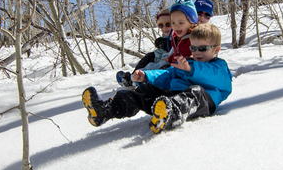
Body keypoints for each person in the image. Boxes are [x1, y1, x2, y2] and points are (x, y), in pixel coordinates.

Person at [82, 23, 232, 134]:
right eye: (194, 48)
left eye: (203, 48)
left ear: (216, 49)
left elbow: (217, 79)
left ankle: (170, 114)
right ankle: (106, 110)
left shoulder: (220, 66)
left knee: (196, 90)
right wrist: (146, 76)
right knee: (144, 91)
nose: (197, 52)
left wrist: (191, 69)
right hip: (171, 96)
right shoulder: (187, 62)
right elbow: (167, 75)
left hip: (203, 102)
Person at [116, 8, 173, 87]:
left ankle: (138, 80)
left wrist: (169, 44)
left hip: (168, 64)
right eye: (160, 25)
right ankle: (134, 76)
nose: (164, 28)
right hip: (160, 60)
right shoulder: (165, 37)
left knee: (158, 67)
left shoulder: (178, 35)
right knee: (150, 57)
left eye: (168, 24)